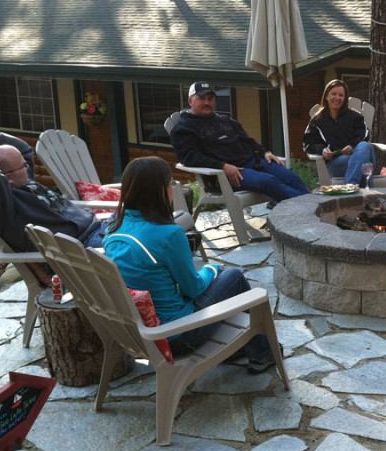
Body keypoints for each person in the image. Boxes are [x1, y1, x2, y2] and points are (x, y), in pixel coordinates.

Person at [103, 156, 275, 369]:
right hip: (178, 335)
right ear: (160, 191)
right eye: (170, 184)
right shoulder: (168, 234)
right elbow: (193, 288)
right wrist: (211, 270)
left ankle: (244, 347)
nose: (173, 189)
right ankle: (263, 352)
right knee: (234, 277)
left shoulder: (113, 229)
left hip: (138, 332)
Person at [0, 130, 105, 260]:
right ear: (7, 177)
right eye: (23, 165)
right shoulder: (0, 204)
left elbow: (25, 150)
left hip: (100, 228)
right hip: (83, 248)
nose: (28, 167)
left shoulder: (21, 180)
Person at [170, 81, 310, 203]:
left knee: (289, 176)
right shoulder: (183, 128)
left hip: (252, 163)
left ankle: (312, 204)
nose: (207, 102)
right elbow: (189, 157)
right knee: (268, 181)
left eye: (210, 98)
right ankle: (309, 206)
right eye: (201, 98)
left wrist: (264, 152)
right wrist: (223, 166)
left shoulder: (225, 120)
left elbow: (247, 140)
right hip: (225, 175)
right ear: (190, 101)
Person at [303, 79, 375, 187]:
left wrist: (351, 145)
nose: (337, 98)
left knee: (365, 146)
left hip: (357, 155)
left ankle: (350, 186)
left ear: (345, 98)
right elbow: (308, 143)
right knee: (365, 164)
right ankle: (364, 194)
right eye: (334, 94)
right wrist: (322, 150)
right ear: (326, 96)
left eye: (341, 95)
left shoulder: (355, 117)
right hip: (337, 163)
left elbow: (364, 135)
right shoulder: (317, 121)